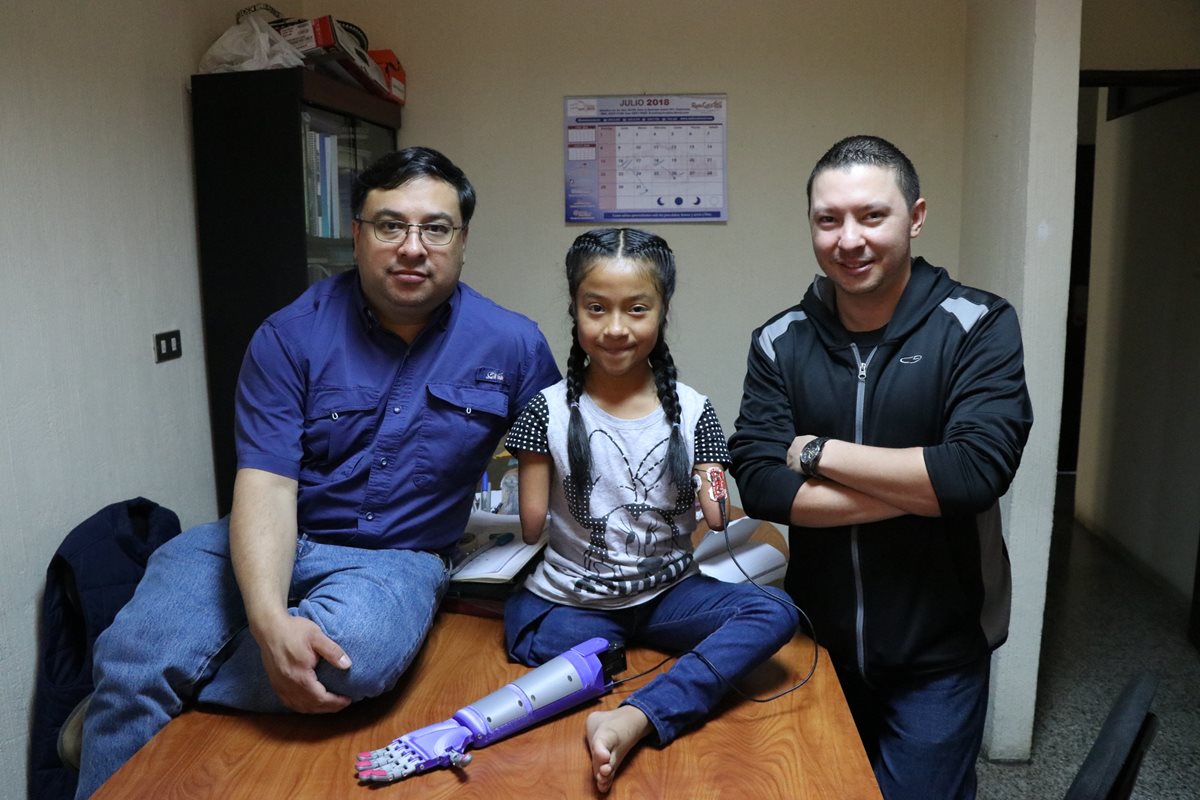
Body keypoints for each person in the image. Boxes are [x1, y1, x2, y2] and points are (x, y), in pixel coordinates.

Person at [74, 146, 561, 798]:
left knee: (345, 659)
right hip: (266, 530)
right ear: (357, 235)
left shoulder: (513, 343)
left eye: (435, 228)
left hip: (397, 556)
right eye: (390, 225)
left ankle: (153, 680)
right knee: (138, 650)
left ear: (462, 240)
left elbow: (561, 458)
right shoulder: (289, 336)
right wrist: (270, 619)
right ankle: (141, 676)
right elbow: (268, 487)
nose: (412, 247)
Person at [728, 135, 1033, 800]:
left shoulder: (976, 325)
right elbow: (757, 479)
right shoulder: (781, 340)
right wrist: (924, 489)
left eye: (872, 215)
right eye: (828, 219)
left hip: (941, 651)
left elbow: (976, 472)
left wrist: (818, 454)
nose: (849, 238)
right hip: (819, 644)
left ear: (915, 217)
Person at [503, 227, 800, 794]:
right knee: (591, 649)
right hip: (576, 603)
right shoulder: (548, 410)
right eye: (597, 308)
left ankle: (636, 715)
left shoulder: (688, 410)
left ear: (662, 311)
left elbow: (531, 522)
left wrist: (708, 472)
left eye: (636, 309)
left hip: (668, 599)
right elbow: (716, 514)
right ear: (575, 309)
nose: (616, 328)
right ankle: (633, 673)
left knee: (776, 611)